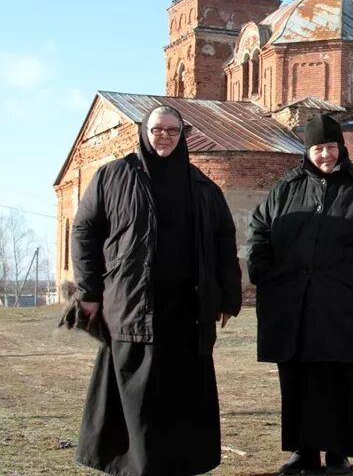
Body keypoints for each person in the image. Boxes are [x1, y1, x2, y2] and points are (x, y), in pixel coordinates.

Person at [71, 104, 242, 476]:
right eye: (157, 130)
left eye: (172, 131)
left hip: (187, 307)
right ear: (144, 133)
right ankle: (133, 465)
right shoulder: (113, 176)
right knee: (136, 389)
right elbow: (84, 231)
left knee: (180, 390)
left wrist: (228, 296)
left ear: (183, 136)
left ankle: (178, 464)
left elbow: (224, 239)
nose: (164, 136)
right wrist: (89, 289)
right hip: (130, 301)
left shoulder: (202, 185)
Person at [248, 114, 353, 475]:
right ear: (307, 151)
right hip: (295, 301)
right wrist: (261, 270)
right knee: (299, 377)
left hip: (347, 302)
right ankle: (303, 452)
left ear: (342, 149)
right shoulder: (286, 188)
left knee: (344, 376)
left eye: (331, 148)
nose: (326, 155)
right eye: (318, 148)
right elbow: (259, 229)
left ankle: (339, 452)